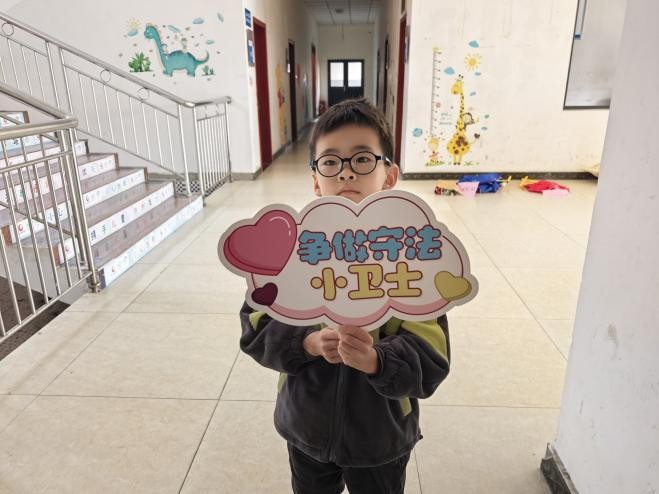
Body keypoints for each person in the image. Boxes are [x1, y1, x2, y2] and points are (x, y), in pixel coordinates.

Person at [239, 98, 450, 494]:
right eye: (331, 161)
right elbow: (256, 328)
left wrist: (377, 360)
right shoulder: (289, 252)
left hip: (380, 436)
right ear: (315, 179)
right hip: (306, 425)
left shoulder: (413, 258)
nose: (346, 172)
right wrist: (306, 342)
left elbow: (432, 357)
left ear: (389, 176)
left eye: (363, 159)